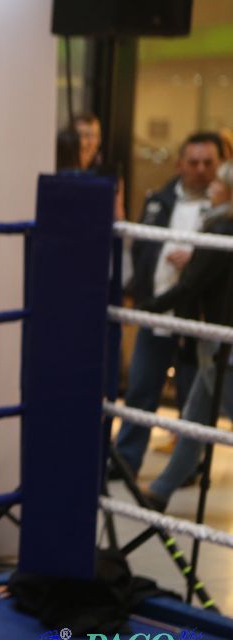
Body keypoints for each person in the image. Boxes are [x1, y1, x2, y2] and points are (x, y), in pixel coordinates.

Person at [112, 132, 225, 479]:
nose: (201, 169)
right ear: (180, 164)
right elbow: (141, 248)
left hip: (197, 318)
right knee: (141, 390)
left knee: (195, 401)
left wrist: (197, 260)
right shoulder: (158, 200)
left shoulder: (224, 211)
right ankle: (126, 461)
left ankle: (188, 468)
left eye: (208, 163)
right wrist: (142, 296)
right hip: (157, 310)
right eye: (194, 162)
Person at [138, 161, 233, 511]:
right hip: (214, 336)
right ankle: (160, 491)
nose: (211, 187)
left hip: (221, 340)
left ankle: (160, 490)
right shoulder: (217, 226)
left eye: (219, 182)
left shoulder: (222, 229)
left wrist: (148, 308)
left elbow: (192, 285)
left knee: (208, 414)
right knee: (194, 419)